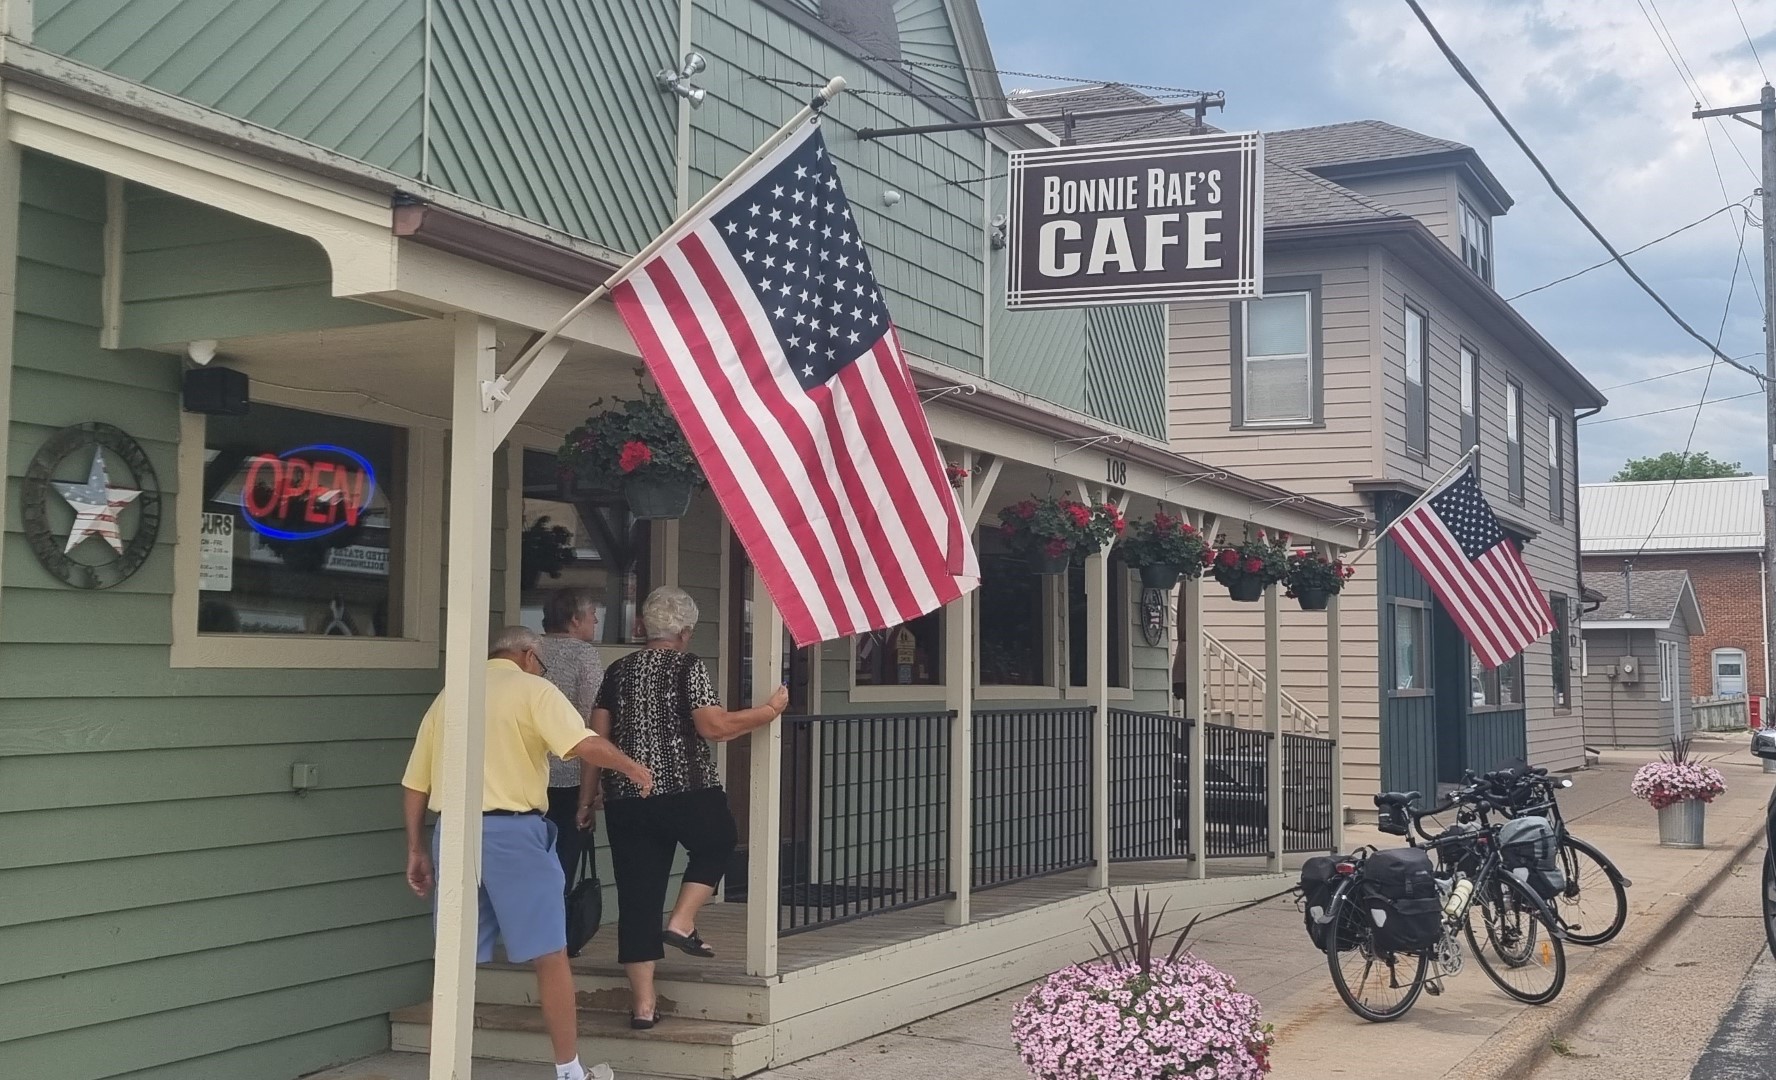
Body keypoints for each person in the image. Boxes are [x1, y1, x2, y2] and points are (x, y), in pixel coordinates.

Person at [402, 626, 653, 1080]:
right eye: (541, 662)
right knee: (550, 954)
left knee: (454, 960)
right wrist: (634, 767)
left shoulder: (449, 697)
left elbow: (416, 783)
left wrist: (417, 848)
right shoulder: (533, 689)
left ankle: (445, 1068)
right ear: (527, 654)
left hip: (453, 834)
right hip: (512, 832)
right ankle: (570, 1072)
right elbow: (582, 744)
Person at [591, 587, 788, 1029]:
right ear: (684, 633)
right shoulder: (687, 666)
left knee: (637, 898)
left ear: (643, 627)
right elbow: (714, 727)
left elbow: (597, 740)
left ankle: (643, 1007)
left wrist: (588, 799)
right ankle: (682, 921)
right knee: (718, 841)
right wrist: (768, 711)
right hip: (686, 788)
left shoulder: (617, 671)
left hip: (627, 797)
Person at [537, 588, 605, 885]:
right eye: (592, 615)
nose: (596, 622)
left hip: (528, 774)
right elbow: (594, 718)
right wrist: (590, 794)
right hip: (569, 775)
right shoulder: (584, 655)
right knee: (562, 864)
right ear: (575, 619)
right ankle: (558, 930)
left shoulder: (529, 650)